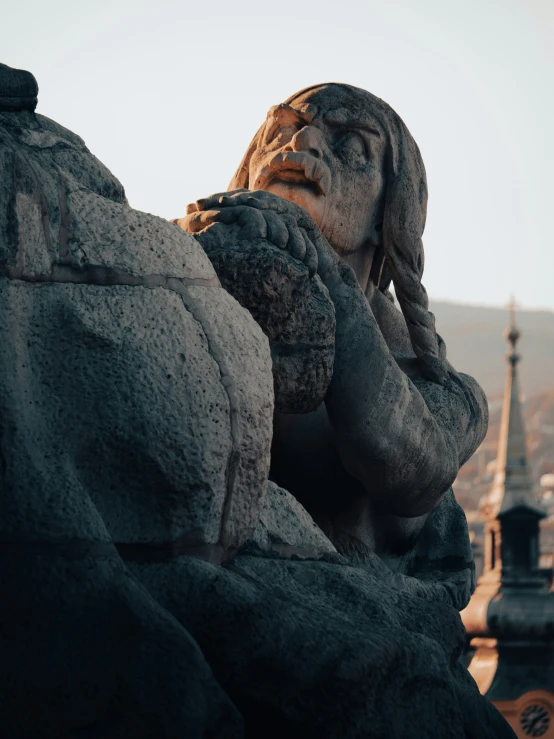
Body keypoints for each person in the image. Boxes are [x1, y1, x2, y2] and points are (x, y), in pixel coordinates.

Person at [179, 83, 488, 559]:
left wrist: (326, 271)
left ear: (388, 215)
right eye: (281, 131)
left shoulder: (452, 398)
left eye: (351, 146)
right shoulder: (186, 288)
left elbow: (409, 470)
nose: (301, 144)